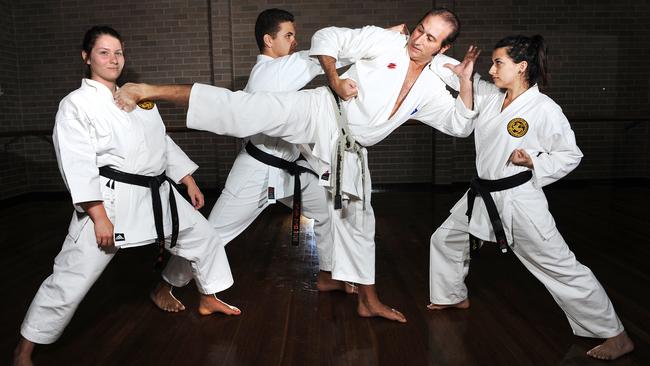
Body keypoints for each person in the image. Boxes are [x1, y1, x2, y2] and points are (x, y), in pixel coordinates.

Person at [115, 8, 477, 323]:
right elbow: (327, 40)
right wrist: (335, 78)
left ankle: (344, 284)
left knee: (352, 219)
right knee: (239, 123)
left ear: (443, 48)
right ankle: (150, 90)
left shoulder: (430, 88)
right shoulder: (381, 45)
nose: (418, 40)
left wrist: (461, 80)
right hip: (305, 126)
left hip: (325, 156)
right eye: (418, 30)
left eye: (430, 38)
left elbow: (461, 123)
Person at [12, 26, 240, 366]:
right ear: (86, 57)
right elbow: (76, 163)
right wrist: (98, 214)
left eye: (118, 52)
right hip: (111, 200)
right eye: (103, 52)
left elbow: (161, 142)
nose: (113, 59)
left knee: (204, 236)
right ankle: (24, 348)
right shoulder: (76, 105)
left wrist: (188, 179)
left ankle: (207, 296)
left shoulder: (138, 97)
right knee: (72, 277)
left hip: (158, 193)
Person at [427, 35, 634, 360]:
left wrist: (534, 161)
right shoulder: (491, 96)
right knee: (446, 239)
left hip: (519, 201)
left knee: (560, 267)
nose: (492, 70)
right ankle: (451, 295)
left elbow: (570, 154)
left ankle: (616, 335)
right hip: (482, 193)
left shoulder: (543, 109)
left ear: (522, 66)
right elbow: (451, 70)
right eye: (492, 62)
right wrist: (426, 54)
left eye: (499, 63)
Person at [152, 8, 354, 313]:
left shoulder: (280, 71)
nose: (294, 41)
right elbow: (318, 59)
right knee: (214, 234)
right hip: (256, 171)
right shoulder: (269, 73)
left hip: (290, 170)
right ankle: (164, 285)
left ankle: (327, 274)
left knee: (328, 208)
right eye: (288, 35)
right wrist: (381, 41)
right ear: (268, 40)